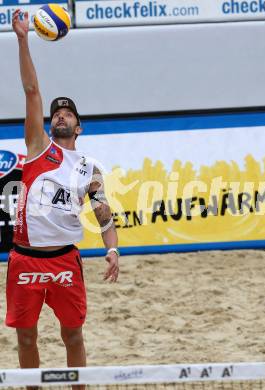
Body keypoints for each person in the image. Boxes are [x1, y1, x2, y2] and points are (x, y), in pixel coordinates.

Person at [7, 9, 119, 390]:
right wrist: (23, 40)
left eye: (67, 113)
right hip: (25, 258)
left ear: (79, 126)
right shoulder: (38, 148)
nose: (60, 116)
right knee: (26, 338)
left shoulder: (89, 167)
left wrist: (112, 249)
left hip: (64, 261)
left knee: (72, 336)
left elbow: (103, 211)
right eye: (56, 113)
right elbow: (31, 91)